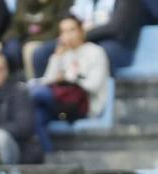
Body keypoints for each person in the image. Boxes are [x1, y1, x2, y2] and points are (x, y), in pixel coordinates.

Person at [31, 15, 110, 153]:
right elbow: (47, 80)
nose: (67, 35)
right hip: (62, 105)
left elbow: (94, 85)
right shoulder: (63, 53)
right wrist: (56, 57)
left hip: (84, 104)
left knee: (35, 93)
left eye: (71, 30)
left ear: (81, 31)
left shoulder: (95, 52)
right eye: (63, 32)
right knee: (36, 115)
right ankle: (49, 158)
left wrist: (69, 78)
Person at [31, 0, 144, 78]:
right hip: (84, 40)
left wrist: (82, 35)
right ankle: (47, 100)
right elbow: (67, 17)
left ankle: (94, 105)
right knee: (41, 53)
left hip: (117, 45)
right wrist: (71, 34)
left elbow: (116, 28)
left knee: (100, 53)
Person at [0, 0, 71, 79]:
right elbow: (15, 27)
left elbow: (56, 31)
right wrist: (4, 40)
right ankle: (13, 82)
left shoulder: (61, 2)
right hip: (24, 38)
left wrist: (28, 40)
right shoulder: (22, 2)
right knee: (10, 48)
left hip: (50, 38)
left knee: (30, 49)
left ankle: (32, 83)